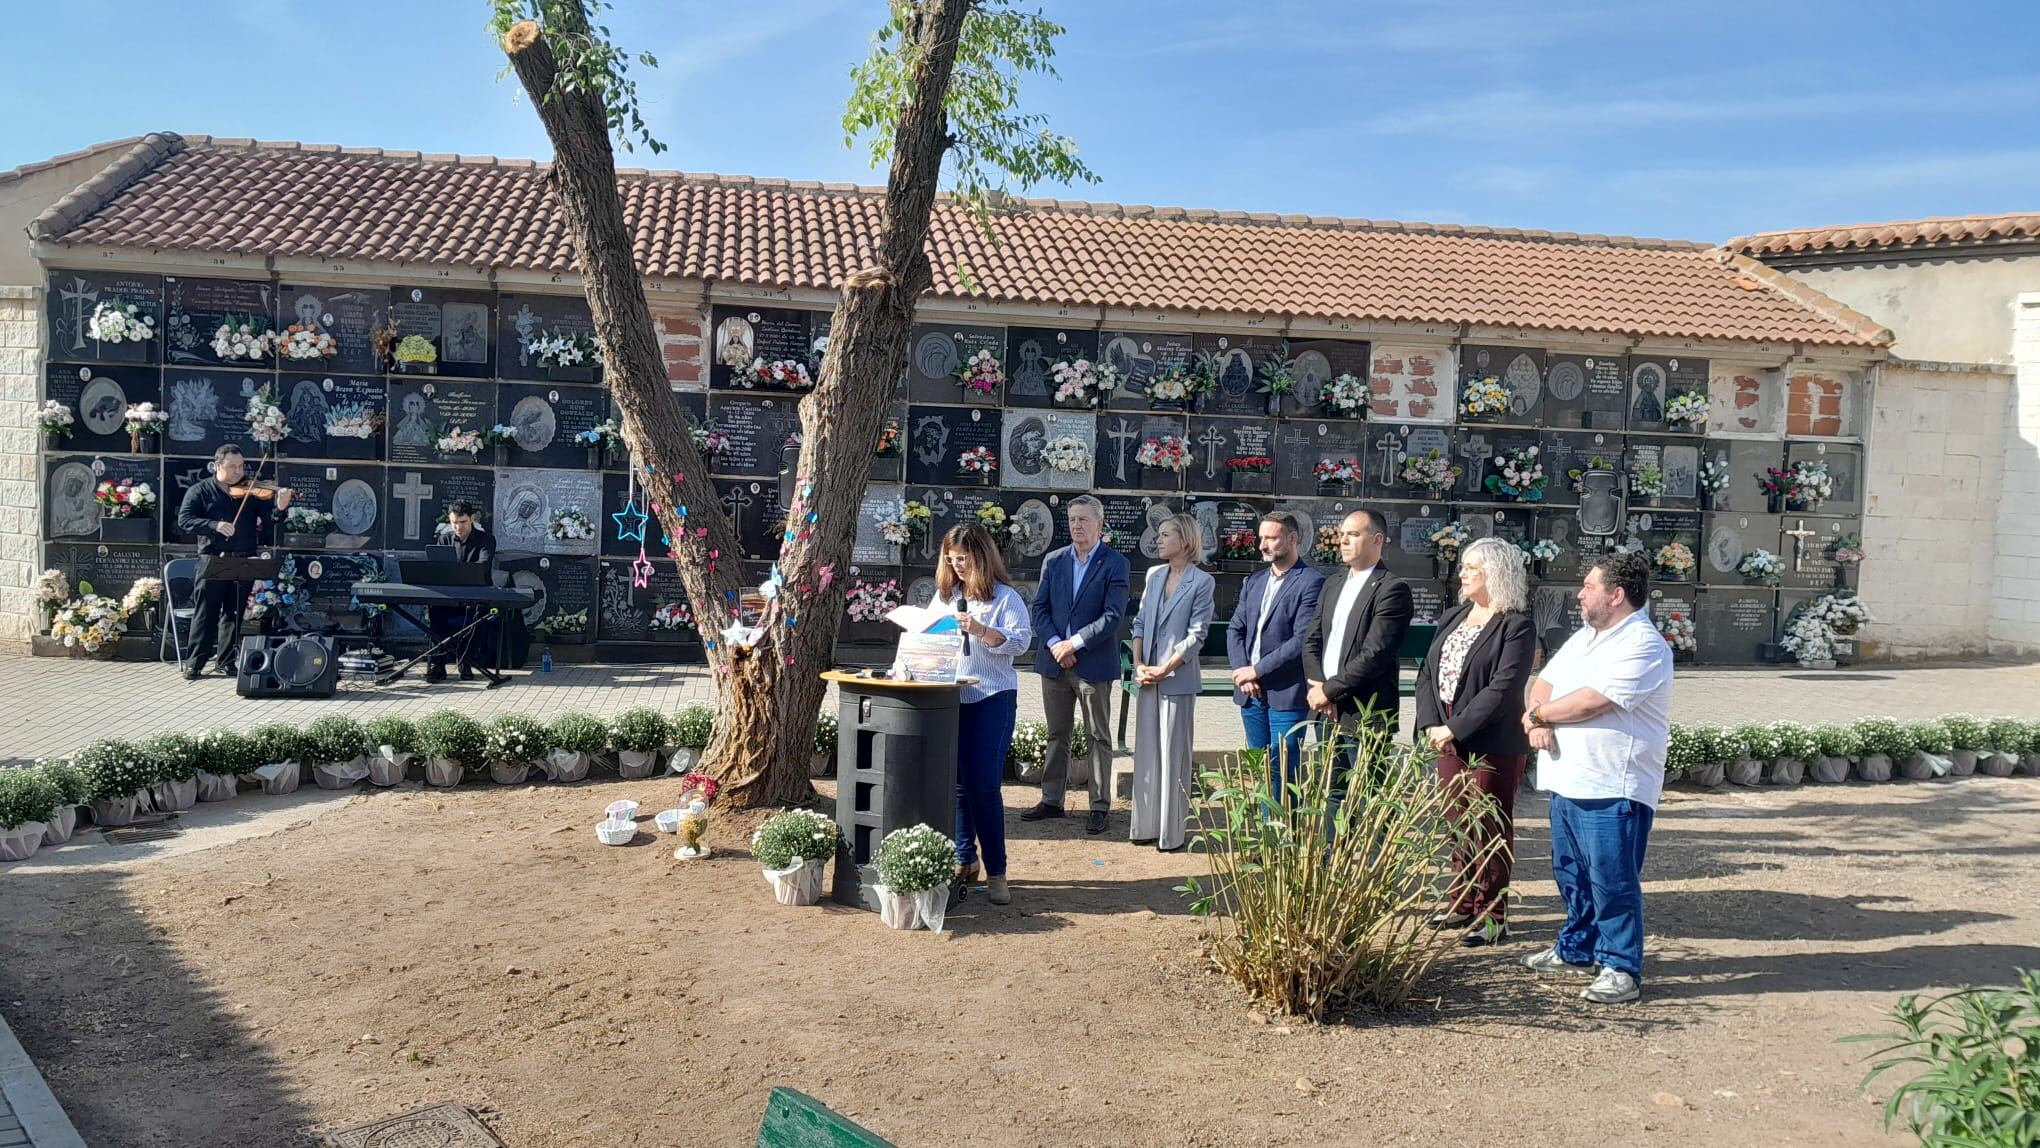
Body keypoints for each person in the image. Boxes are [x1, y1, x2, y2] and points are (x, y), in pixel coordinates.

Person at [1518, 552, 1673, 1005]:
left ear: (1616, 595)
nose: (1579, 594)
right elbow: (1543, 683)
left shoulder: (1643, 644)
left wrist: (1537, 715)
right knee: (1571, 873)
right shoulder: (1586, 637)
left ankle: (1621, 967)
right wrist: (1538, 720)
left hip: (1613, 785)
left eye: (1588, 586)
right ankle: (1576, 948)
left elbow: (1591, 702)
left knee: (1612, 879)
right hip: (1568, 779)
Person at [1412, 537, 1537, 946]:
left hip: (1491, 741)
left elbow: (1502, 689)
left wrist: (1456, 728)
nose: (1461, 574)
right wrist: (1433, 724)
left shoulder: (1516, 626)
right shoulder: (1454, 616)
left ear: (1495, 574)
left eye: (1471, 568)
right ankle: (1461, 901)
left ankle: (1492, 916)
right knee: (1457, 823)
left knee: (1489, 826)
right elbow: (1428, 672)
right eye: (1463, 567)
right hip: (1445, 735)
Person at [933, 523, 1033, 906]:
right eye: (951, 559)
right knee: (959, 785)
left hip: (992, 696)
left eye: (964, 559)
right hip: (952, 696)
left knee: (984, 786)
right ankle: (964, 859)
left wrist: (982, 630)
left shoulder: (1005, 597)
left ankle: (998, 872)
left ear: (981, 556)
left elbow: (1021, 643)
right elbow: (929, 635)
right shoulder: (946, 596)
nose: (957, 566)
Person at [1023, 495, 1130, 835]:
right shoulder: (1054, 561)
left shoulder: (1115, 564)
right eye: (1072, 520)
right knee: (1057, 734)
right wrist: (1057, 645)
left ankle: (1098, 806)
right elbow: (1039, 609)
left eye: (1084, 519)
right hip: (1055, 664)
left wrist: (1075, 643)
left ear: (1100, 524)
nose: (1077, 526)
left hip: (1092, 664)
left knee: (1097, 735)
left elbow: (1113, 616)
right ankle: (1052, 799)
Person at [1302, 509, 1414, 807]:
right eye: (1342, 534)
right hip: (1326, 709)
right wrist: (1319, 688)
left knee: (1367, 795)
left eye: (1353, 534)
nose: (1343, 540)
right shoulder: (1333, 583)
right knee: (1332, 790)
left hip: (1365, 710)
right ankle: (1332, 854)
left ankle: (1371, 854)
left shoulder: (1392, 589)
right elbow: (1312, 640)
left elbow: (1375, 654)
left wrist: (1329, 691)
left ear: (1377, 539)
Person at [1129, 514, 1216, 852]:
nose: (1158, 540)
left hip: (1176, 679)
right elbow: (1138, 623)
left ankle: (1171, 833)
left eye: (1165, 534)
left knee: (1173, 755)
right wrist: (1139, 666)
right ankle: (1145, 826)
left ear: (1185, 540)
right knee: (1147, 754)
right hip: (1147, 677)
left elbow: (1197, 637)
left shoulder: (1201, 582)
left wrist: (1164, 669)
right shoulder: (1153, 575)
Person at [1225, 512, 1325, 803]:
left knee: (1284, 771)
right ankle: (1265, 843)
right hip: (1250, 694)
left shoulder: (1311, 582)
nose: (1262, 545)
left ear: (1292, 539)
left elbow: (1300, 640)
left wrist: (1255, 670)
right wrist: (1242, 672)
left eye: (1271, 538)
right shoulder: (1254, 581)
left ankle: (1284, 843)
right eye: (1261, 538)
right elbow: (1236, 628)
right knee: (1261, 771)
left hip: (1286, 694)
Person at [176, 444, 291, 680]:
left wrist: (280, 508)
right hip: (213, 559)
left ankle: (227, 661)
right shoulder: (200, 491)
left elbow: (270, 521)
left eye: (241, 466)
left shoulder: (250, 491)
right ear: (218, 465)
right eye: (233, 467)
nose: (239, 472)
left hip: (244, 559)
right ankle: (195, 662)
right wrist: (214, 525)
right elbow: (185, 520)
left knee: (234, 612)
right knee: (206, 613)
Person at [425, 500, 498, 683]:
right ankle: (438, 665)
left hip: (476, 597)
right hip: (450, 598)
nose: (458, 527)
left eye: (463, 522)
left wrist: (457, 573)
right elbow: (438, 569)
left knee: (478, 616)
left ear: (472, 519)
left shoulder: (486, 540)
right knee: (436, 611)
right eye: (454, 523)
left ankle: (466, 661)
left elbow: (482, 568)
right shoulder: (444, 539)